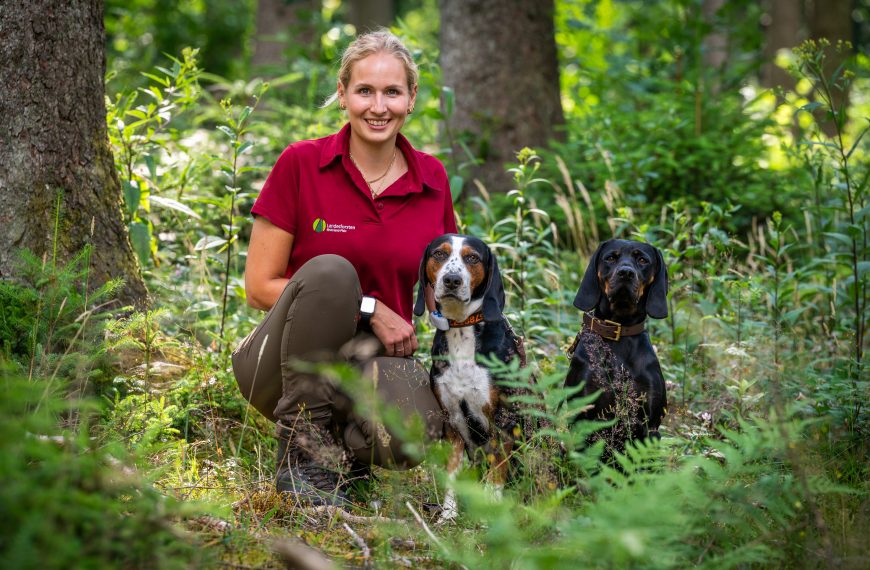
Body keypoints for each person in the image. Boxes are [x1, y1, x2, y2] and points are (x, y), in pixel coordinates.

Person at [232, 29, 457, 507]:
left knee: (413, 433)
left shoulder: (432, 179)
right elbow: (257, 287)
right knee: (331, 271)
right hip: (280, 364)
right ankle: (301, 454)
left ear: (412, 98)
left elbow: (443, 293)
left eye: (392, 91)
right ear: (343, 94)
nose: (379, 106)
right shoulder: (301, 164)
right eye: (365, 91)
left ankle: (345, 461)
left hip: (373, 364)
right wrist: (371, 306)